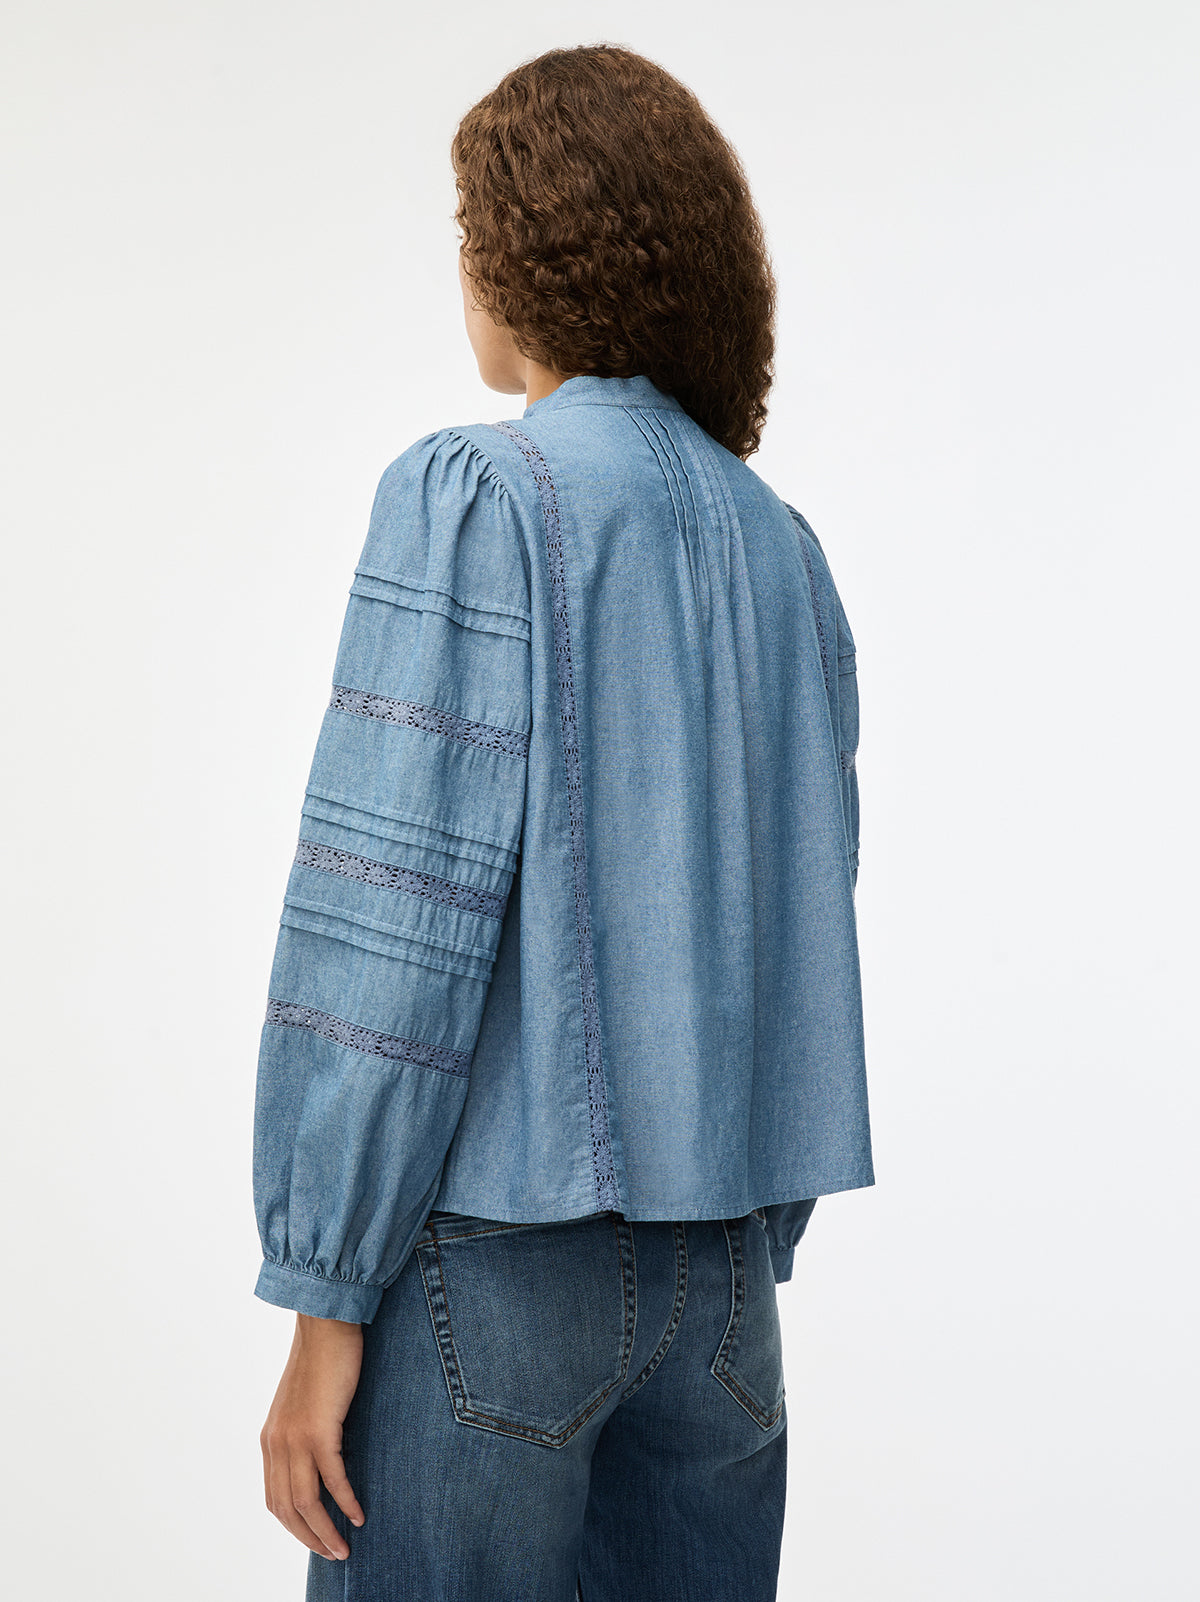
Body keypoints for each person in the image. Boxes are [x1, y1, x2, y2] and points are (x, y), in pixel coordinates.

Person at [254, 42, 874, 1602]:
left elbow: (392, 911)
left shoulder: (474, 495)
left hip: (495, 1271)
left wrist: (324, 1291)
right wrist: (750, 1229)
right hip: (724, 1290)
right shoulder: (781, 549)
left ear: (531, 253)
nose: (462, 266)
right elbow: (811, 905)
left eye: (472, 228)